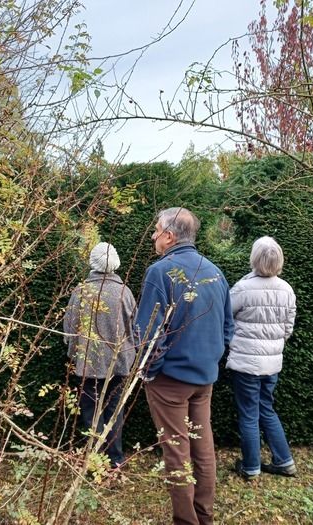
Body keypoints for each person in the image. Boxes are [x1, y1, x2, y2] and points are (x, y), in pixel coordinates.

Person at [135, 207, 234, 525]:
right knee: (203, 448)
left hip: (170, 381)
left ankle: (186, 521)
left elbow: (147, 334)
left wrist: (150, 371)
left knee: (176, 451)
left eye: (156, 230)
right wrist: (210, 360)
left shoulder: (159, 272)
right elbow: (228, 328)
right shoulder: (215, 272)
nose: (153, 236)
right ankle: (204, 517)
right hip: (204, 379)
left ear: (169, 235)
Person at [226, 236, 297, 481]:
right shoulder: (287, 289)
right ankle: (284, 461)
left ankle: (251, 467)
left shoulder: (243, 288)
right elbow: (288, 329)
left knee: (248, 414)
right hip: (272, 363)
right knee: (266, 408)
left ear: (254, 259)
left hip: (245, 364)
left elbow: (225, 319)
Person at [63, 242, 136, 468]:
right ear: (115, 263)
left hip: (87, 363)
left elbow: (68, 330)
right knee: (114, 412)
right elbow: (135, 329)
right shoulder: (124, 292)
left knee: (89, 410)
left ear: (92, 263)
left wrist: (75, 354)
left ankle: (92, 461)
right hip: (119, 363)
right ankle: (115, 459)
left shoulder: (80, 291)